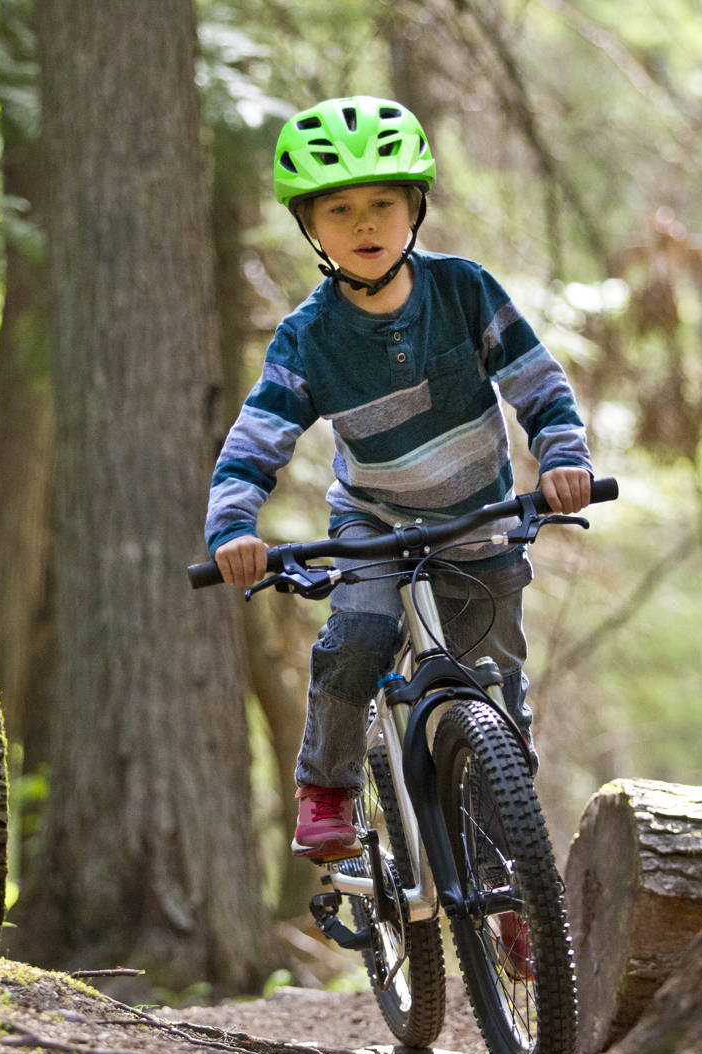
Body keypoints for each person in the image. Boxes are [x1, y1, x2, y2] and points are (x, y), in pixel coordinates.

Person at [206, 95, 593, 864]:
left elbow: (538, 384)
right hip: (375, 523)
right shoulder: (308, 339)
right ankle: (327, 786)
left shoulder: (464, 291)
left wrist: (562, 457)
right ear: (311, 227)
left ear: (414, 207)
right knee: (360, 633)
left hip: (477, 519)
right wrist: (233, 526)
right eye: (340, 210)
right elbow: (256, 440)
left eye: (382, 204)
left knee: (496, 695)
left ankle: (510, 881)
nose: (364, 225)